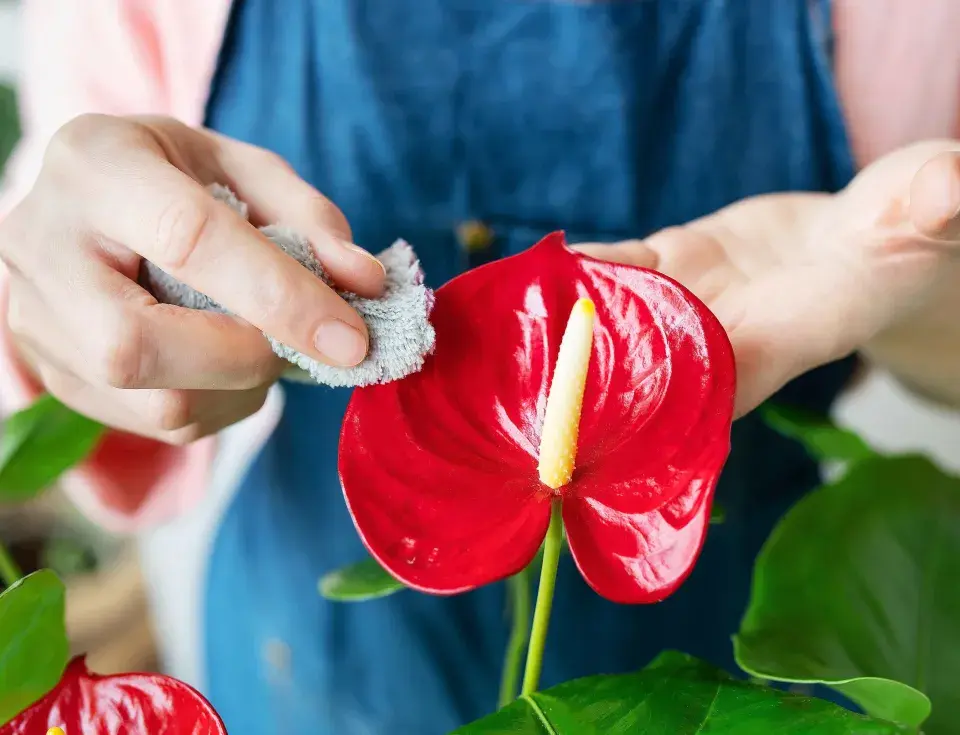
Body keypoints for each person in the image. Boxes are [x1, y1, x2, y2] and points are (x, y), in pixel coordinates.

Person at [1, 1, 959, 733]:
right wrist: (62, 305)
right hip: (316, 665)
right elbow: (49, 319)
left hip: (724, 667)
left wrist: (909, 279)